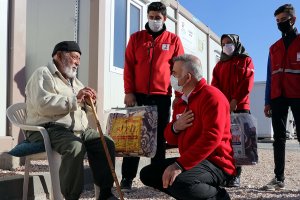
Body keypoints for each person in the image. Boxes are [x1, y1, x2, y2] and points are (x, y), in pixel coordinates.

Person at [25, 41, 117, 200]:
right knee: (75, 146)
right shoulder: (43, 74)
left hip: (79, 129)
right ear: (59, 56)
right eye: (75, 57)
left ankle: (106, 193)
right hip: (50, 128)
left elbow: (83, 110)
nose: (77, 63)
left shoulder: (74, 81)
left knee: (106, 142)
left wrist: (90, 103)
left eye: (79, 59)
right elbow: (43, 105)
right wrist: (76, 98)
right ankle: (71, 197)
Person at [140, 54, 236, 200]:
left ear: (188, 77)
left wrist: (179, 166)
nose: (171, 77)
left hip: (216, 162)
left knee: (180, 182)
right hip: (192, 159)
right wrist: (175, 127)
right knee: (148, 174)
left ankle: (219, 197)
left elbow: (211, 138)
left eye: (175, 73)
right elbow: (170, 138)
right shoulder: (181, 102)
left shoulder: (212, 97)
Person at [122, 1, 184, 191]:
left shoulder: (173, 40)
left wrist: (179, 96)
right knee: (134, 137)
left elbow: (179, 70)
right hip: (138, 96)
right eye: (151, 16)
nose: (154, 20)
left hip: (162, 96)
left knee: (158, 139)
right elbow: (129, 67)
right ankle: (127, 178)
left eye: (158, 17)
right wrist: (129, 92)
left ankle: (156, 177)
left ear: (164, 19)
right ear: (147, 16)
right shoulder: (136, 38)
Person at [263, 4, 300, 191]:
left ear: (292, 20)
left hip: (298, 95)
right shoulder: (274, 48)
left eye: (283, 20)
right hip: (278, 97)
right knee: (278, 138)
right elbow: (270, 76)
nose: (279, 24)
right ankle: (279, 178)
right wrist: (267, 101)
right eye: (277, 21)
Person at [211, 34, 254, 187]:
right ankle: (224, 173)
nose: (226, 46)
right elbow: (214, 86)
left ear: (236, 43)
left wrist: (235, 100)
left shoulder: (245, 60)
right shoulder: (219, 65)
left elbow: (247, 82)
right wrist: (220, 104)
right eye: (223, 43)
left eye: (229, 42)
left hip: (240, 107)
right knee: (224, 143)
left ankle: (236, 175)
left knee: (239, 144)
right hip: (224, 109)